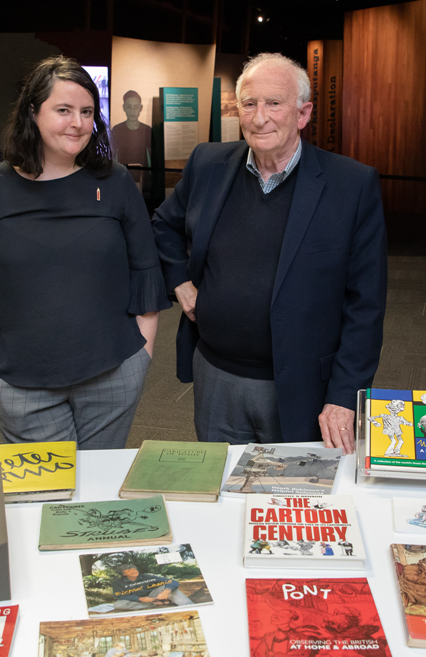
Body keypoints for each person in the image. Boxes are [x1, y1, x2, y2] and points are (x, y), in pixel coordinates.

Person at [152, 53, 387, 451]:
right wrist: (180, 282)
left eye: (274, 103)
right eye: (249, 103)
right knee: (223, 494)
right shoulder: (207, 164)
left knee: (292, 501)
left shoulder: (351, 185)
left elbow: (366, 305)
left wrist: (344, 397)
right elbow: (163, 225)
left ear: (303, 113)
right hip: (216, 376)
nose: (260, 117)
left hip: (301, 387)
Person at [0, 56, 169, 449]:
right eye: (63, 110)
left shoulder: (114, 182)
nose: (77, 123)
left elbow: (146, 273)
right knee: (45, 500)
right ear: (33, 111)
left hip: (112, 377)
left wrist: (140, 360)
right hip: (21, 385)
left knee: (95, 497)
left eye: (86, 111)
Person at [110, 90, 151, 186]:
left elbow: (152, 158)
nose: (132, 111)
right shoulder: (117, 129)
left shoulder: (147, 130)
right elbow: (112, 155)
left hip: (143, 178)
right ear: (124, 108)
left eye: (136, 107)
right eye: (129, 107)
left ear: (141, 108)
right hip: (121, 177)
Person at [110, 564, 193, 611]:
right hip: (137, 600)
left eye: (134, 569)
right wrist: (140, 599)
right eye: (129, 571)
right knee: (118, 604)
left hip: (152, 595)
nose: (133, 572)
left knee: (168, 587)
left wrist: (167, 591)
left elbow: (171, 581)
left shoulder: (147, 577)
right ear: (124, 574)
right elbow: (119, 595)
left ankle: (189, 607)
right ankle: (153, 604)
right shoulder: (117, 582)